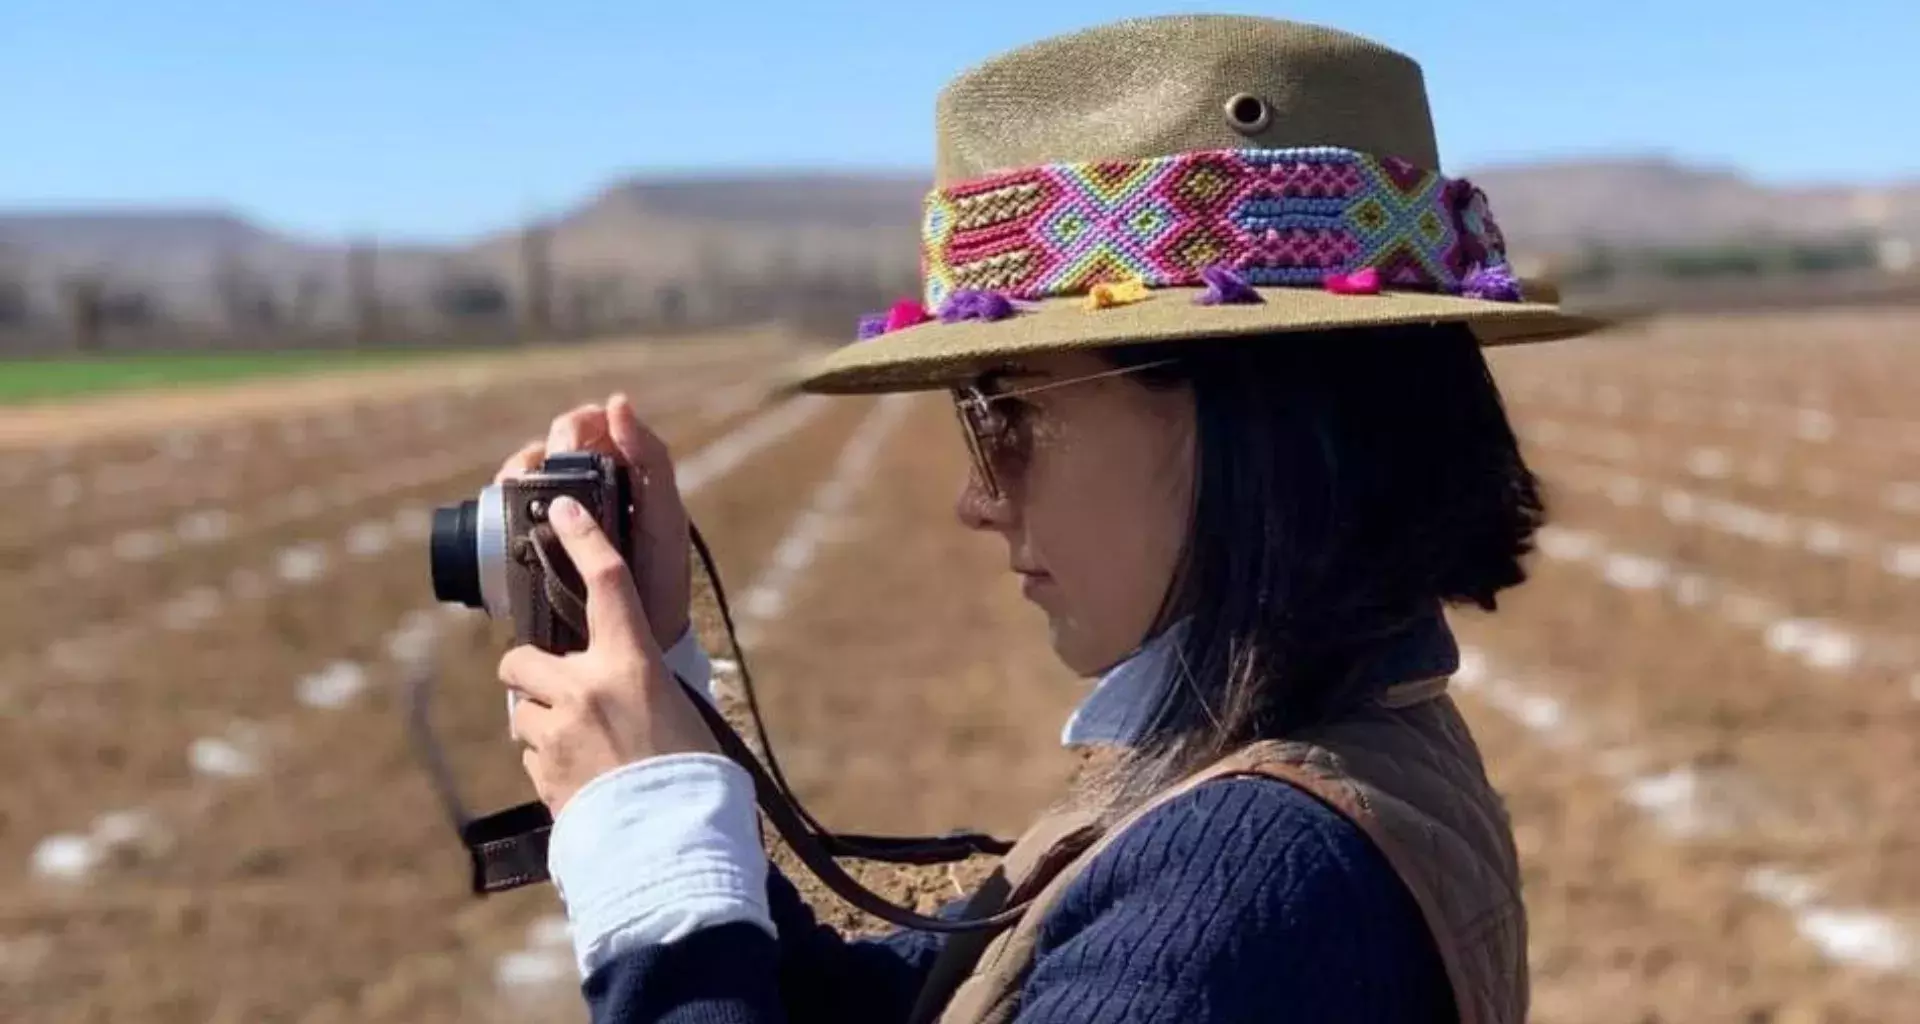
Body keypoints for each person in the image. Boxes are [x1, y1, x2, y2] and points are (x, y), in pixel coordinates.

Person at [494, 14, 1605, 1024]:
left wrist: (655, 875)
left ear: (1235, 410)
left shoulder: (1249, 879)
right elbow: (933, 1001)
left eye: (1006, 407)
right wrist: (669, 727)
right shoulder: (1294, 765)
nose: (980, 495)